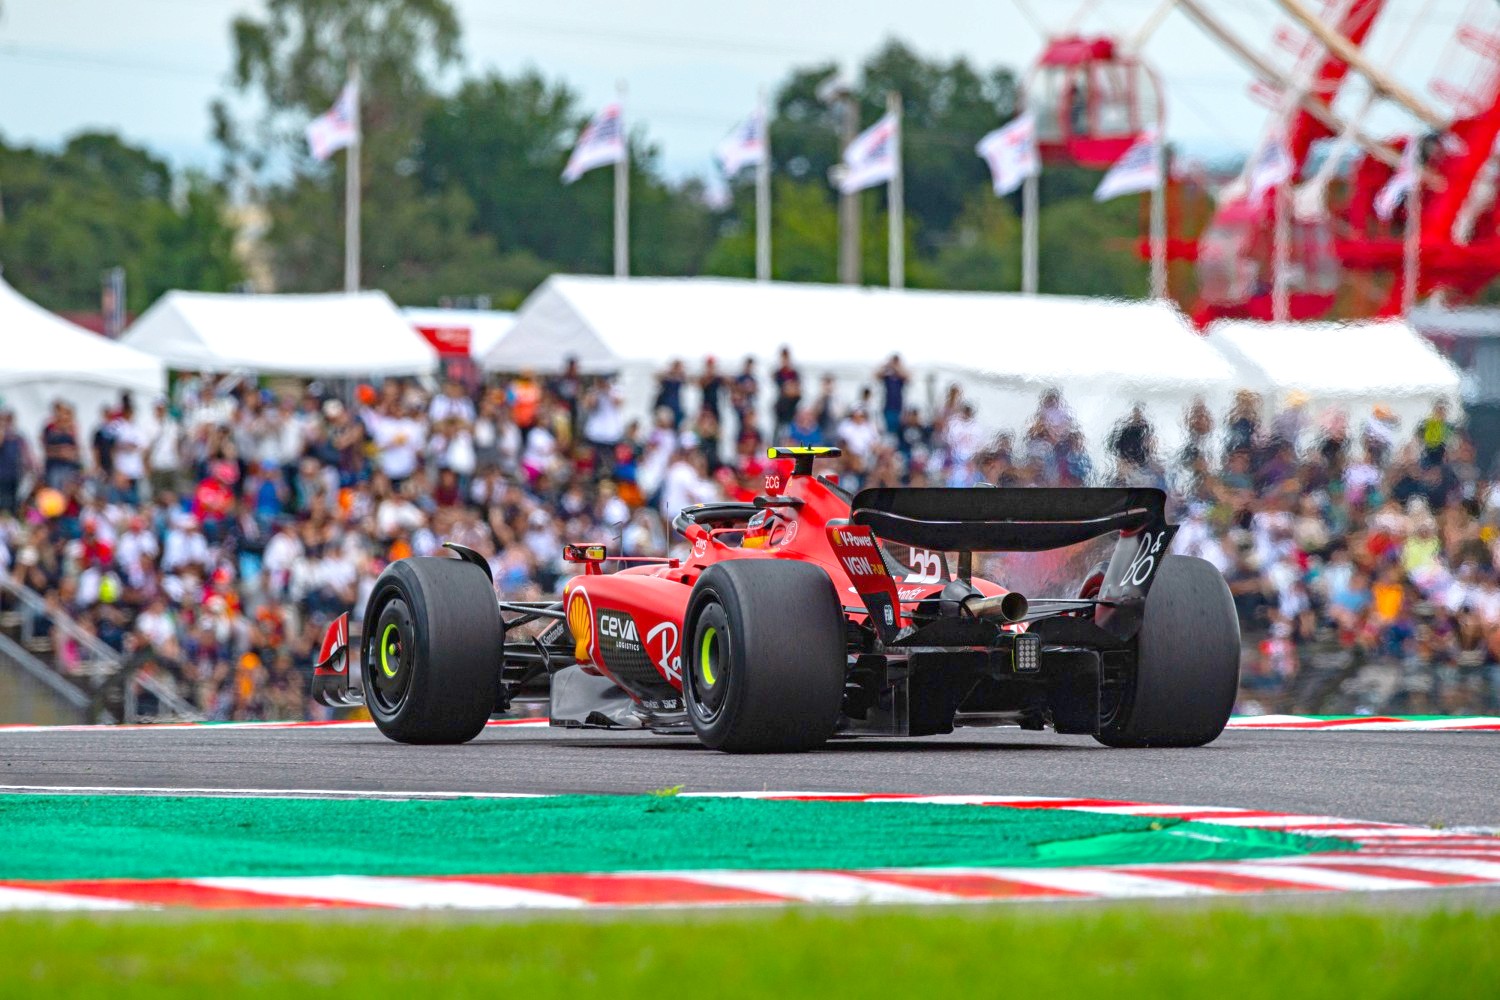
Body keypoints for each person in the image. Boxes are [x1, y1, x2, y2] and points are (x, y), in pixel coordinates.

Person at [877, 354, 908, 434]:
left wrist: (896, 368)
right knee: (889, 429)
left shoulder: (900, 375)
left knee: (898, 428)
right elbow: (876, 375)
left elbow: (908, 377)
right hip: (888, 405)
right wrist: (886, 365)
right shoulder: (887, 375)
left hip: (899, 406)